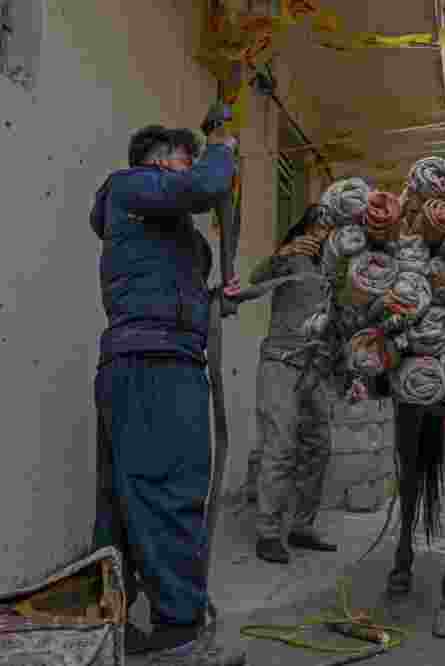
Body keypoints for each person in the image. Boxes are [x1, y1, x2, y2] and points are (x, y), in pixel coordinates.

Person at [91, 122, 246, 665]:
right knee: (167, 492)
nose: (195, 168)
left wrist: (217, 299)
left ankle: (106, 623)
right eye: (188, 159)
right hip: (152, 365)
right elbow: (205, 186)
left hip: (156, 363)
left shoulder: (179, 239)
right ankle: (179, 633)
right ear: (158, 162)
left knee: (124, 502)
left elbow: (178, 298)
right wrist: (224, 149)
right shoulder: (130, 188)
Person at [250, 204, 337, 565]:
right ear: (305, 228)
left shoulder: (337, 270)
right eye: (318, 225)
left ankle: (302, 526)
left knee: (319, 446)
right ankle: (268, 533)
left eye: (330, 228)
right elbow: (256, 280)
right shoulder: (292, 258)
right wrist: (281, 255)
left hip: (315, 369)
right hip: (280, 364)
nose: (323, 233)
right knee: (281, 447)